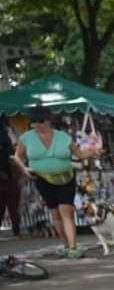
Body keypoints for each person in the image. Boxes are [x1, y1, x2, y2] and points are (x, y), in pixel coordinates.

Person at [14, 107, 82, 256]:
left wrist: (91, 152)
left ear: (48, 120)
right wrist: (24, 169)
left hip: (65, 177)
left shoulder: (63, 136)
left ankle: (73, 248)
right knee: (55, 213)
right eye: (34, 121)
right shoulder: (26, 137)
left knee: (66, 211)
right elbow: (17, 156)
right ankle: (66, 245)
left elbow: (79, 154)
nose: (38, 124)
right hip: (42, 178)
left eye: (41, 121)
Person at [0, 115, 21, 238]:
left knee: (3, 208)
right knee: (13, 208)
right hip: (10, 180)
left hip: (7, 180)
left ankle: (16, 231)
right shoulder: (9, 149)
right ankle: (16, 232)